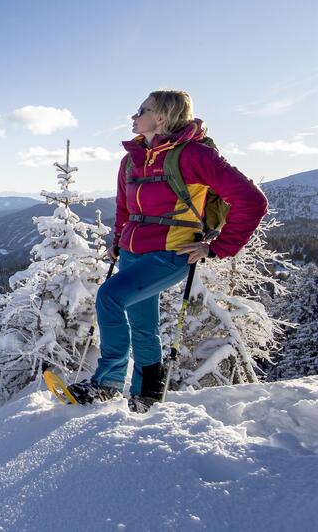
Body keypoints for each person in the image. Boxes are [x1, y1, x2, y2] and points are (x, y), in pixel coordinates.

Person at [67, 89, 268, 412]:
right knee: (143, 324)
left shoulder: (195, 156)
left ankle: (106, 384)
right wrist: (117, 243)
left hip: (171, 253)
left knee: (109, 297)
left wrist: (217, 247)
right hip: (133, 253)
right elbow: (125, 207)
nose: (134, 116)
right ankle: (147, 395)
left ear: (161, 117)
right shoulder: (131, 160)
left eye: (142, 110)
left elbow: (252, 201)